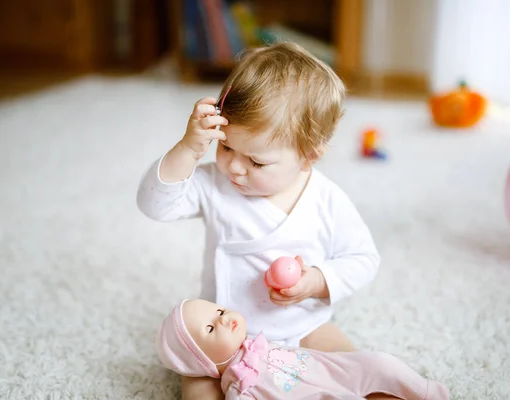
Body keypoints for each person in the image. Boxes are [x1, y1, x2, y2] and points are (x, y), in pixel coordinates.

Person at [137, 42, 381, 399]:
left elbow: (363, 259)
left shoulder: (326, 200)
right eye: (226, 147)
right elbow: (154, 205)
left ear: (308, 156)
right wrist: (188, 150)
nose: (234, 167)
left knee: (352, 368)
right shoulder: (213, 185)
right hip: (224, 338)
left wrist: (316, 281)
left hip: (303, 327)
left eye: (257, 161)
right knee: (197, 383)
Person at [156, 299, 450, 399]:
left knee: (379, 362)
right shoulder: (238, 388)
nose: (223, 320)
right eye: (210, 328)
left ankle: (425, 392)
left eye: (219, 311)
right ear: (203, 361)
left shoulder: (261, 340)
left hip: (333, 368)